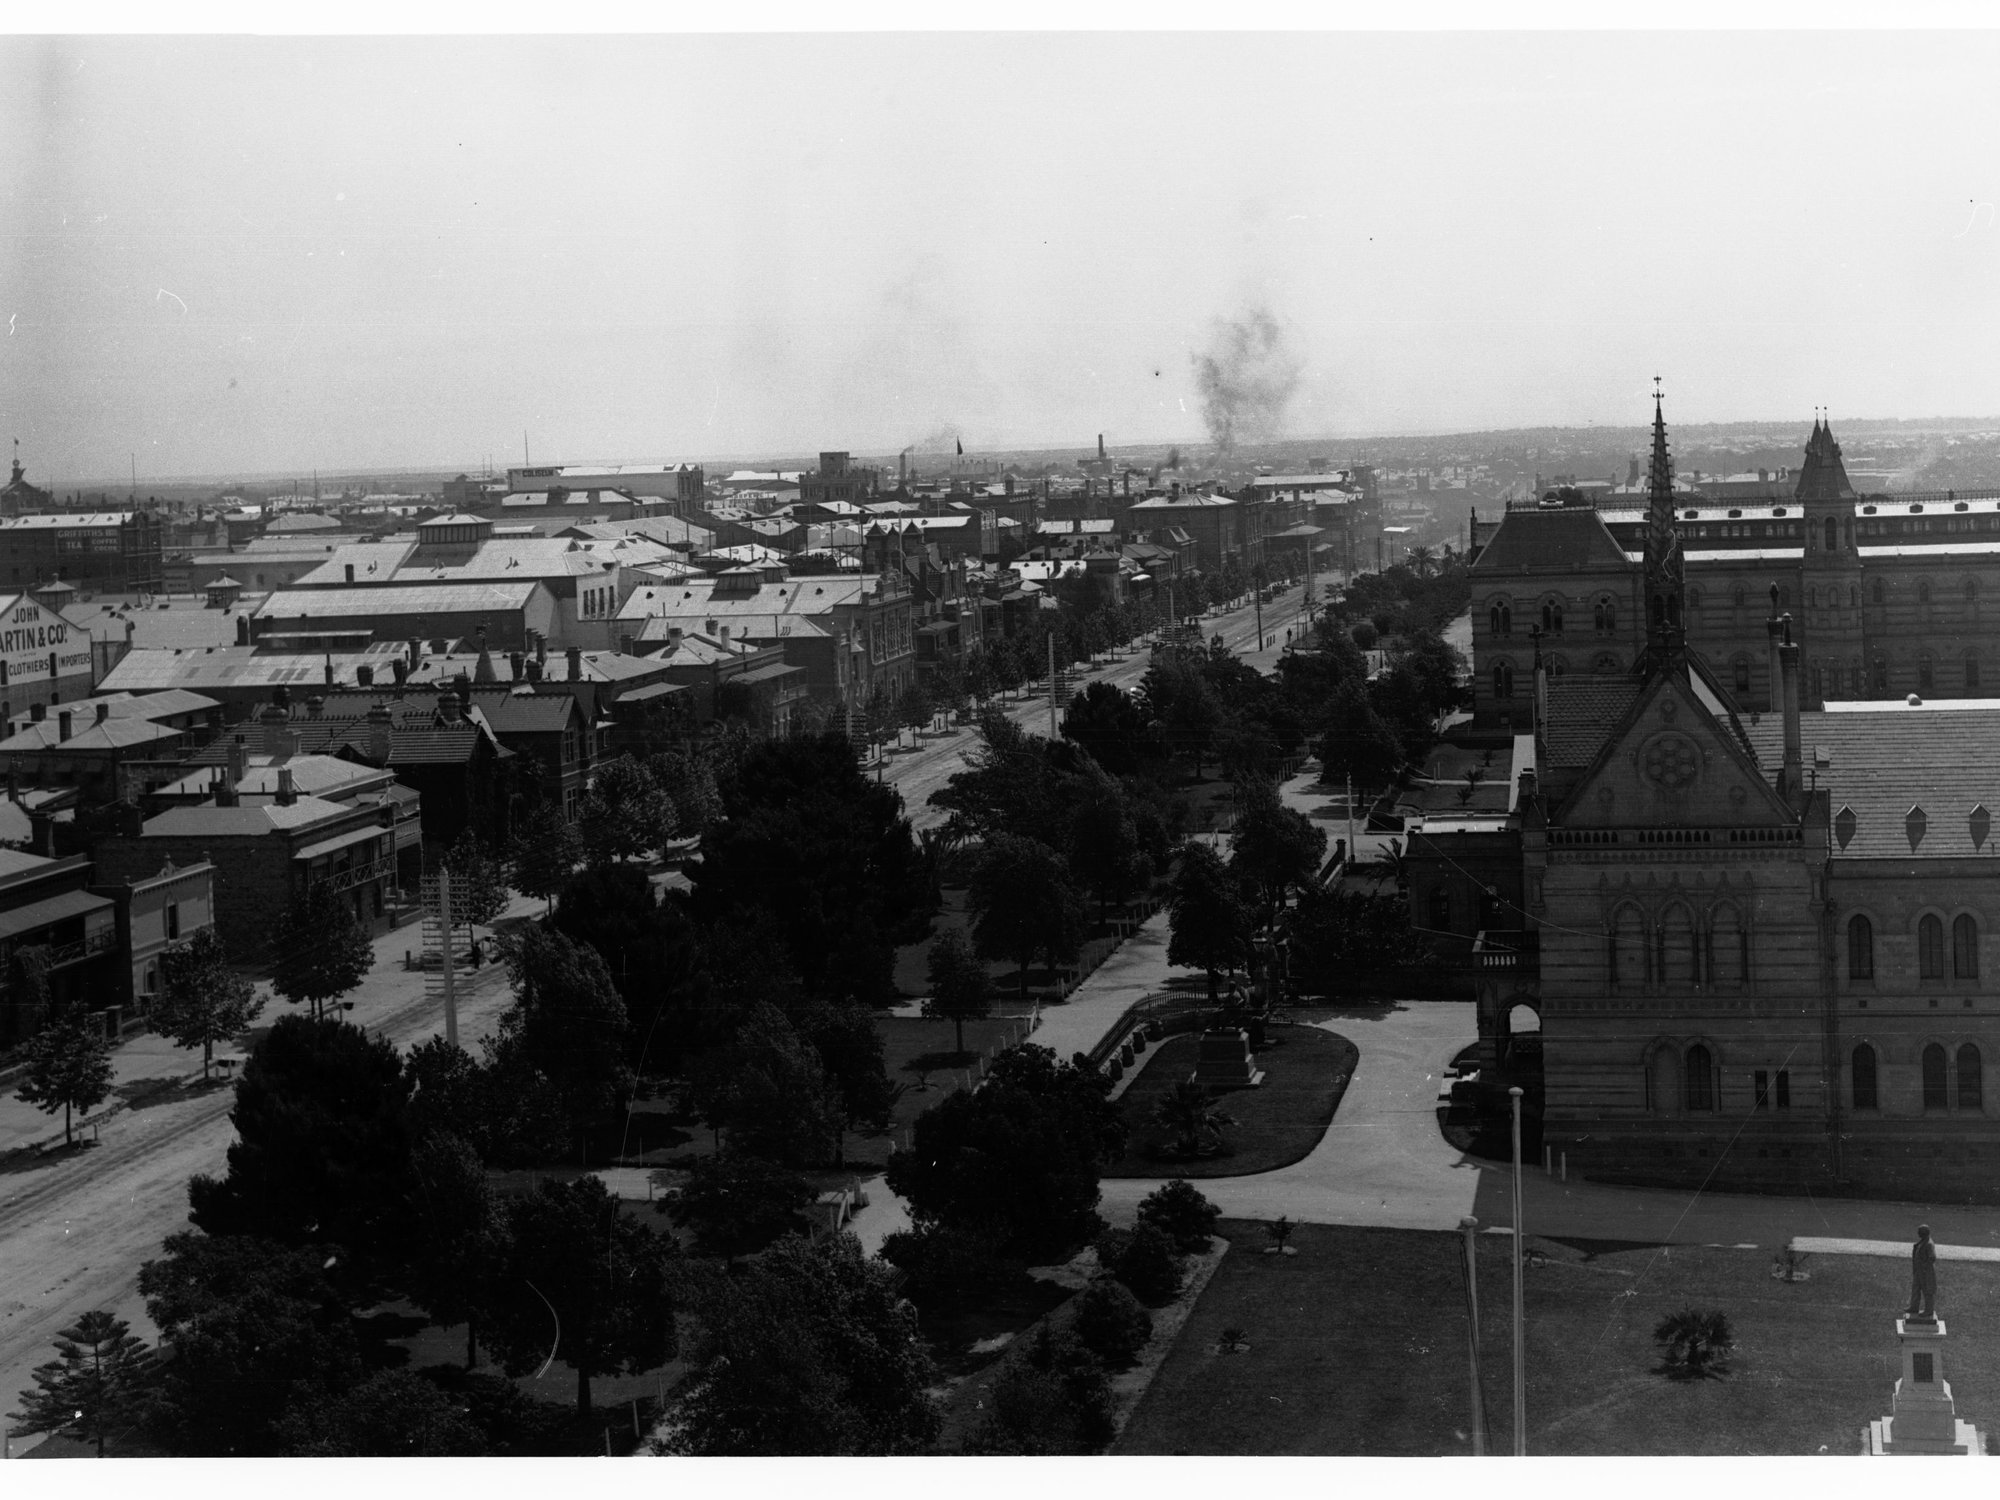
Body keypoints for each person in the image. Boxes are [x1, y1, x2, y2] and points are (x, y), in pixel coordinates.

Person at [1909, 1224, 1938, 1320]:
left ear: (1924, 1233)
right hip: (1919, 1271)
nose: (1918, 1234)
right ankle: (1914, 1307)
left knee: (1927, 1291)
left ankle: (1929, 1310)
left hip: (1926, 1273)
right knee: (1915, 1288)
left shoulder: (1929, 1244)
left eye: (1919, 1232)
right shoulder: (1923, 1241)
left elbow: (1932, 1258)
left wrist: (1924, 1267)